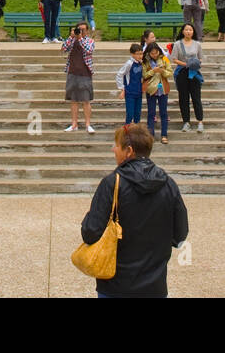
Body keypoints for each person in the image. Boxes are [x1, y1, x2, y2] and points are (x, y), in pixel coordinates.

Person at [79, 124, 188, 298]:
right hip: (155, 286)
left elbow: (91, 232)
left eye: (116, 145)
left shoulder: (112, 184)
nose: (113, 149)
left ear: (129, 151)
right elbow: (180, 235)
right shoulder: (168, 184)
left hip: (115, 285)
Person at [170, 23, 204, 132]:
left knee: (196, 97)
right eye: (186, 30)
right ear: (183, 31)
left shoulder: (197, 44)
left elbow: (200, 58)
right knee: (183, 98)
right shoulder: (177, 44)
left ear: (193, 32)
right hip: (182, 72)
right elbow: (174, 58)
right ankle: (186, 121)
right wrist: (185, 64)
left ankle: (200, 121)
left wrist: (194, 63)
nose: (188, 32)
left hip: (194, 73)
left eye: (190, 30)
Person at [63, 22, 96, 133]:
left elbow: (89, 50)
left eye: (83, 30)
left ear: (87, 31)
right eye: (79, 29)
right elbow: (63, 48)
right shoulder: (72, 40)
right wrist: (71, 37)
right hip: (72, 72)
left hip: (85, 73)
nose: (80, 31)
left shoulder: (89, 41)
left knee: (86, 100)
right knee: (73, 100)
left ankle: (88, 124)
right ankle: (74, 124)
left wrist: (80, 38)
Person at [141, 42, 173, 144]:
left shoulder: (164, 59)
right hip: (151, 89)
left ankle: (164, 135)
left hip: (162, 88)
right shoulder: (145, 61)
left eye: (156, 52)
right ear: (149, 53)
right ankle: (151, 135)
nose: (154, 55)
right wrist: (153, 71)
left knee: (163, 113)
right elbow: (144, 75)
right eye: (152, 53)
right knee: (151, 113)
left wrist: (162, 71)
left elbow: (170, 72)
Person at [116, 43, 145, 125]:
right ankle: (127, 131)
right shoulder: (129, 63)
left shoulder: (141, 63)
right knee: (130, 114)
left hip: (138, 92)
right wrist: (122, 89)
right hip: (130, 92)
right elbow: (119, 74)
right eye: (138, 54)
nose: (140, 56)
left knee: (137, 114)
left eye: (141, 53)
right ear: (132, 54)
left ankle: (136, 132)